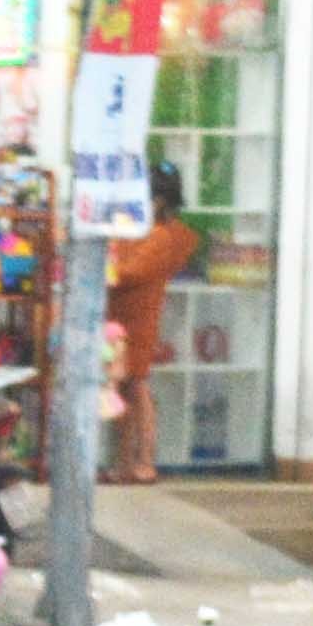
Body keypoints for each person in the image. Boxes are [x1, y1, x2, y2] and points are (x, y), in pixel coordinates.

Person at [106, 162, 205, 485]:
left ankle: (144, 461)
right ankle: (124, 463)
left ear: (159, 200)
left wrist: (108, 264)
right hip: (119, 317)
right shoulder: (144, 230)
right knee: (122, 387)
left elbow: (130, 273)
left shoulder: (164, 236)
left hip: (139, 321)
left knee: (137, 386)